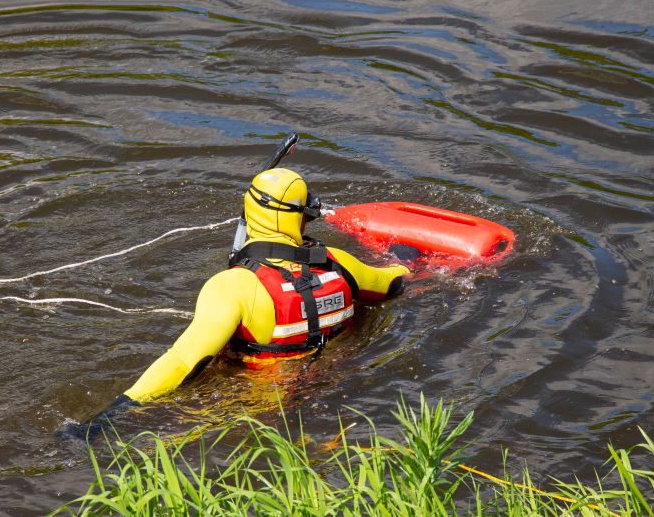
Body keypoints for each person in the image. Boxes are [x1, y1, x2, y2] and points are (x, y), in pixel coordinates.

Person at [79, 167, 410, 431]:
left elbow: (183, 362)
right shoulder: (340, 263)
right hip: (338, 389)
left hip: (258, 409)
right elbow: (393, 283)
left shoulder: (233, 286)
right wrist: (404, 255)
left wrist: (113, 415)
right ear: (303, 216)